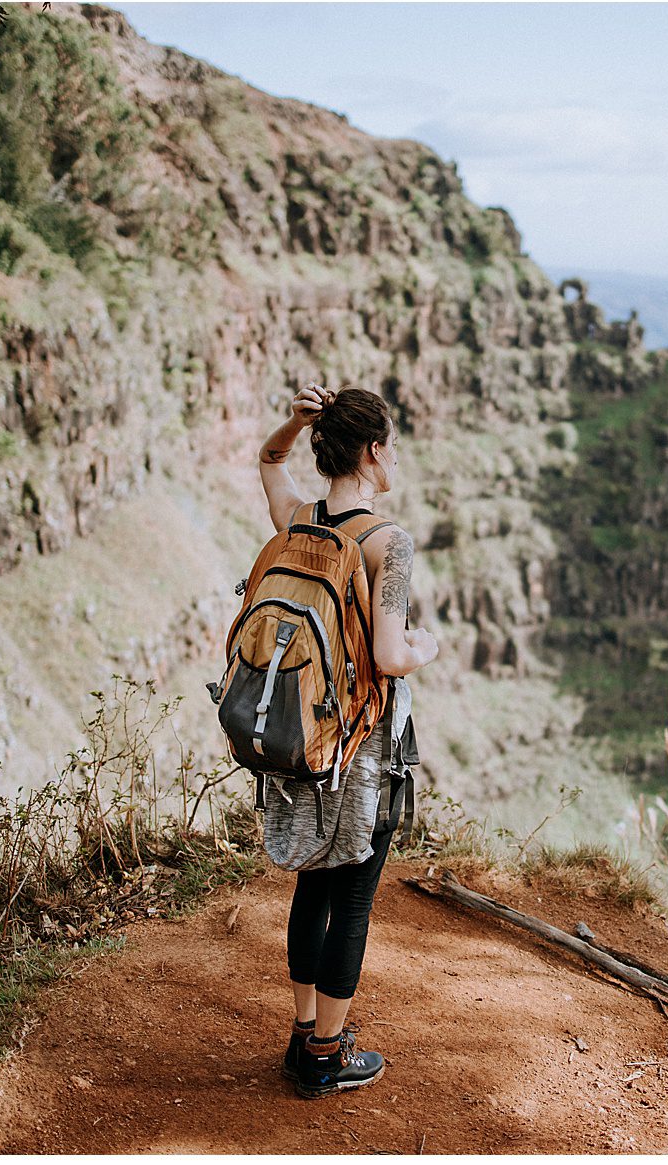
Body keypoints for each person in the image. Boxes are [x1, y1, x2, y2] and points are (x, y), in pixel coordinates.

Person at [256, 383, 440, 1099]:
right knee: (354, 896)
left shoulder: (300, 520)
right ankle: (327, 1056)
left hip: (306, 732)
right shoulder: (386, 542)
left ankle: (304, 1034)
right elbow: (391, 656)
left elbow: (269, 462)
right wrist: (429, 643)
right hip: (364, 745)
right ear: (372, 451)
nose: (392, 456)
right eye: (388, 443)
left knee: (313, 879)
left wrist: (291, 424)